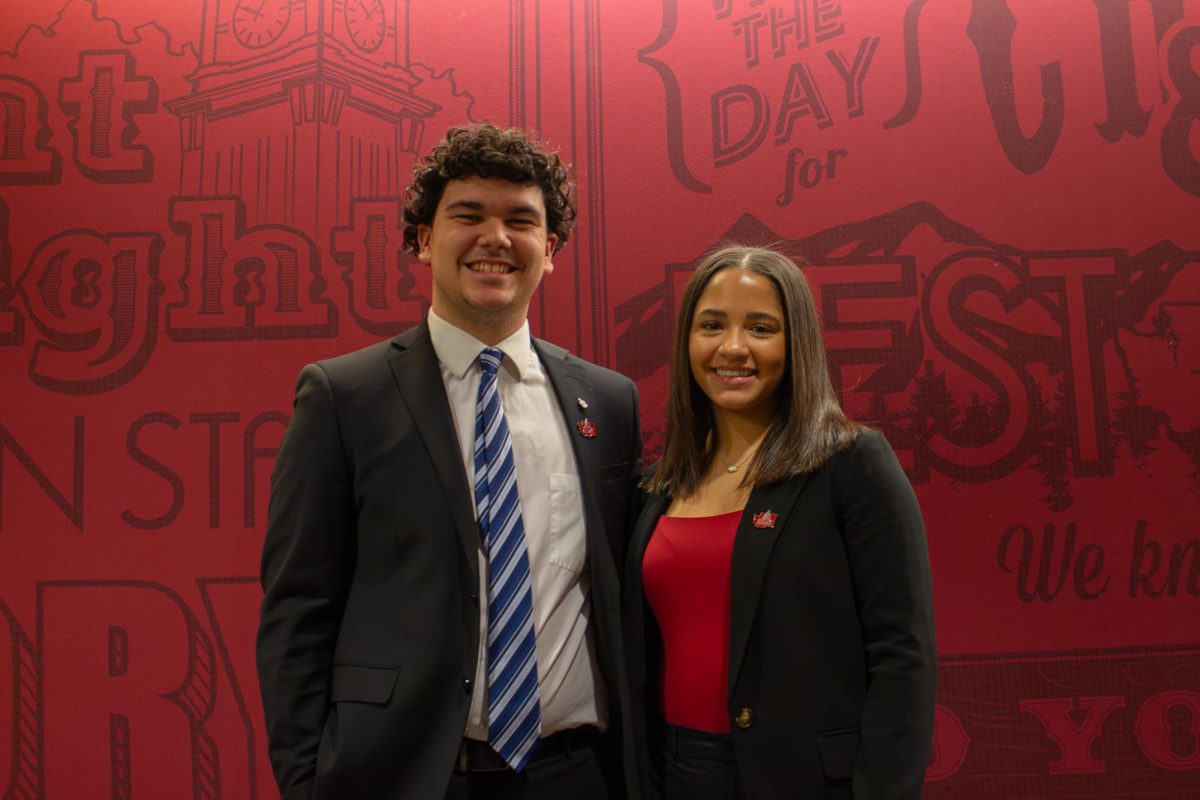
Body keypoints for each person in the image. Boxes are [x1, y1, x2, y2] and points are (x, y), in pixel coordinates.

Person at [257, 124, 643, 800]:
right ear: (424, 239)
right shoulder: (345, 396)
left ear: (549, 251)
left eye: (521, 221)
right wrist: (305, 782)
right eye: (468, 216)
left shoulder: (607, 403)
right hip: (404, 776)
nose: (496, 238)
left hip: (576, 776)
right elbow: (299, 608)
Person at [622, 245, 936, 799]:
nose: (733, 348)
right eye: (711, 325)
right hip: (674, 775)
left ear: (797, 344)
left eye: (761, 327)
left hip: (805, 780)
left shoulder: (852, 463)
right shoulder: (658, 485)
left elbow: (902, 657)